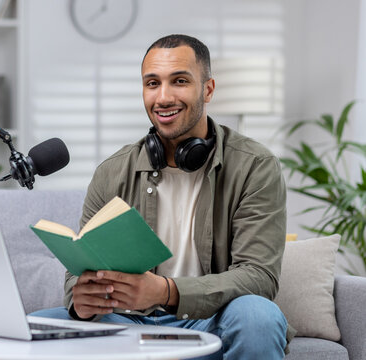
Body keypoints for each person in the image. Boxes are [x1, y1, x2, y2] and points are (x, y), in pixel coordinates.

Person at [31, 34, 293, 359]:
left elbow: (259, 277)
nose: (163, 97)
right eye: (152, 83)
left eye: (179, 81)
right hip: (127, 320)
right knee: (33, 327)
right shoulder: (112, 171)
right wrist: (81, 301)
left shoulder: (255, 166)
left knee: (258, 317)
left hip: (210, 319)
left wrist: (167, 291)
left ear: (208, 89)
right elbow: (81, 269)